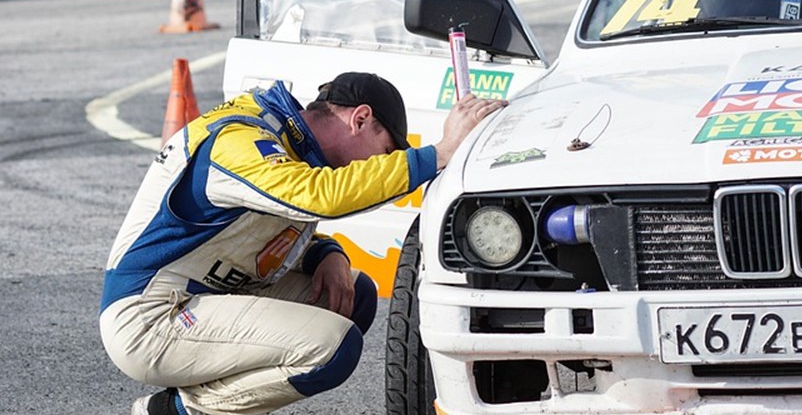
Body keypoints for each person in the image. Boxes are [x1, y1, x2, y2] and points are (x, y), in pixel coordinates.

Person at [99, 72, 507, 415]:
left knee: (352, 294)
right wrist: (439, 153)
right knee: (331, 350)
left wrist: (328, 254)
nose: (379, 165)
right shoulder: (240, 137)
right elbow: (319, 196)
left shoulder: (289, 144)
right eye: (384, 152)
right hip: (151, 316)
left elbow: (263, 230)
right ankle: (174, 412)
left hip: (203, 296)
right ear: (361, 119)